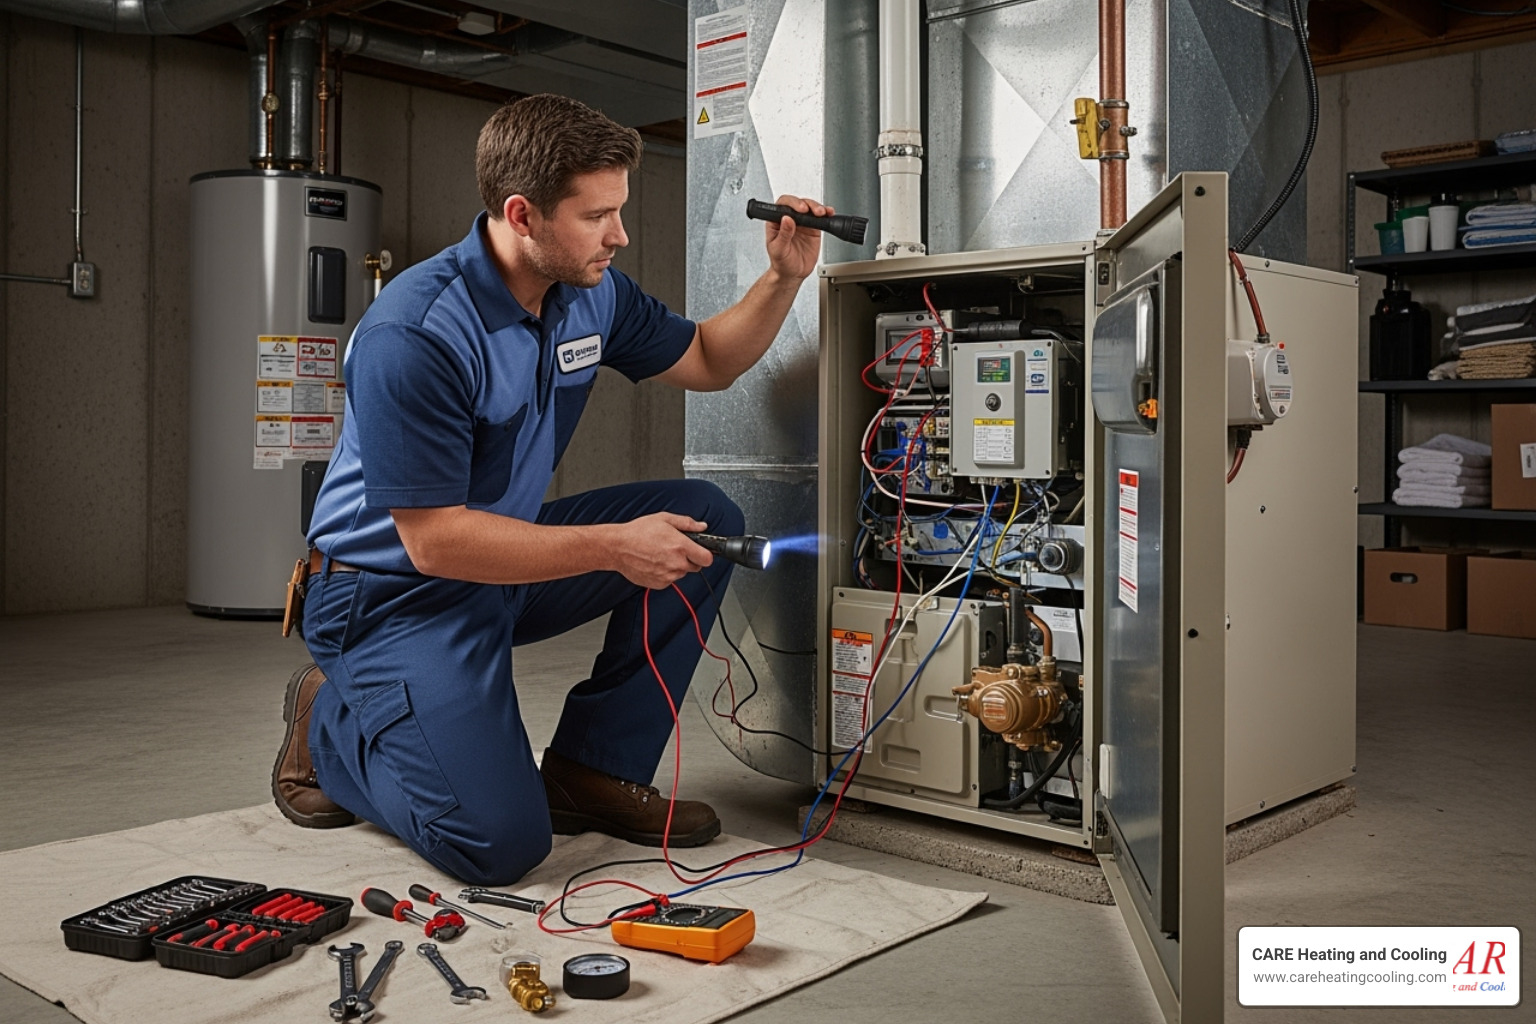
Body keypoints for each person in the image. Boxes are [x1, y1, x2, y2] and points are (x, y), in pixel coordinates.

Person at [271, 93, 827, 887]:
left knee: (703, 522)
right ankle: (329, 724)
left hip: (495, 563)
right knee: (496, 846)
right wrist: (612, 546)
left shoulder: (590, 294)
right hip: (388, 594)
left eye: (620, 210)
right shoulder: (416, 333)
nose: (620, 235)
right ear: (523, 214)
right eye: (596, 215)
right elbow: (433, 541)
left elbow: (706, 359)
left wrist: (782, 276)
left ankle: (593, 770)